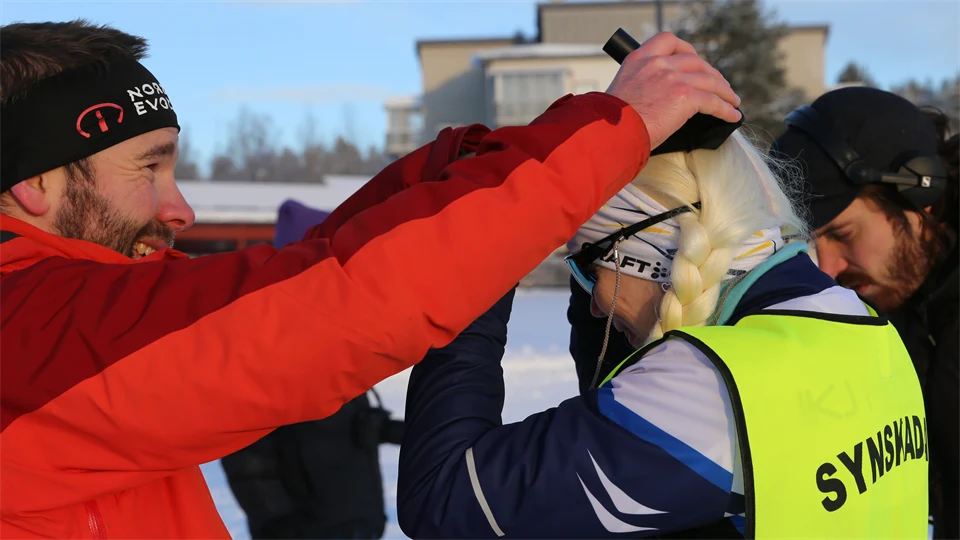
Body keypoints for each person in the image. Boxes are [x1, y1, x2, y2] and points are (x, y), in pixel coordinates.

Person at [0, 19, 742, 539]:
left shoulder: (72, 316)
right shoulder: (28, 330)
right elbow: (340, 302)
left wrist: (475, 156)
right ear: (36, 181)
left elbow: (320, 260)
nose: (181, 207)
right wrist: (613, 129)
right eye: (149, 167)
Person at [396, 126, 929, 539]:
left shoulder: (704, 388)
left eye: (587, 268)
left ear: (645, 253)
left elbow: (443, 499)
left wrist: (480, 254)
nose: (595, 305)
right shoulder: (862, 325)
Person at [771, 86, 959, 539]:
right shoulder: (874, 311)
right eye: (812, 245)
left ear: (921, 192)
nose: (828, 268)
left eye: (843, 233)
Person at [221, 199, 405, 540]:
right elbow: (246, 457)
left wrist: (381, 427)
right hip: (305, 530)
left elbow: (336, 422)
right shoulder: (263, 351)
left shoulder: (336, 343)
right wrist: (280, 524)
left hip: (359, 522)